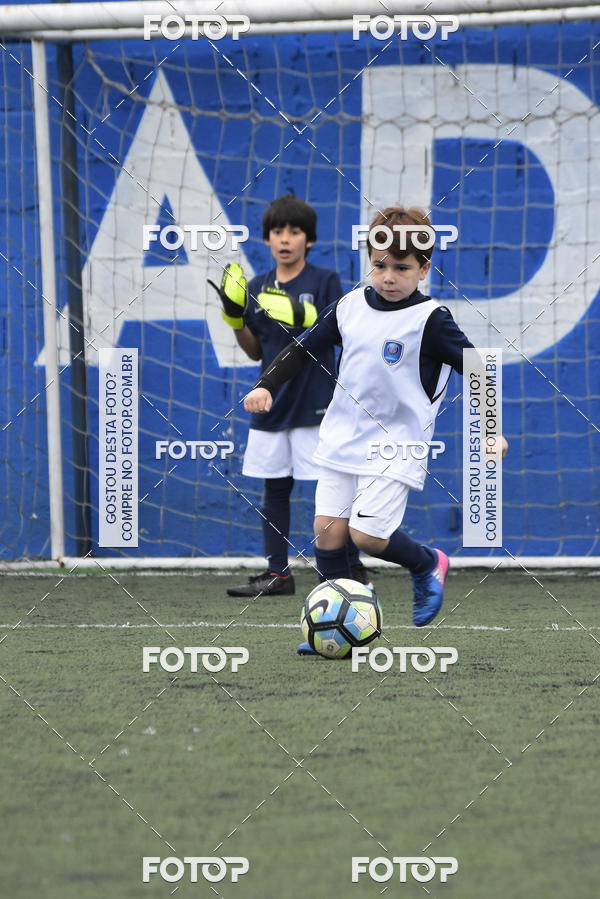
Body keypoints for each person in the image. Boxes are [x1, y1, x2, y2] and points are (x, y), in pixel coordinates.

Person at [242, 206, 508, 646]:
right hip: (342, 437)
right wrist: (266, 384)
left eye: (402, 268)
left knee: (366, 535)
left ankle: (427, 563)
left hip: (397, 444)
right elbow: (303, 349)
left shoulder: (431, 319)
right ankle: (335, 623)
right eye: (380, 265)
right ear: (369, 260)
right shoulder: (348, 306)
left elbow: (478, 370)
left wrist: (490, 429)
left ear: (424, 269)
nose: (388, 277)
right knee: (328, 533)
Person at [209, 193, 368, 596]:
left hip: (317, 401)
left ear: (308, 240)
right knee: (275, 489)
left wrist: (304, 317)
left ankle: (348, 567)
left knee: (332, 489)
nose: (285, 238)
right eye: (277, 231)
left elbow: (340, 335)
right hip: (272, 401)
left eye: (294, 231)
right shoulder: (256, 286)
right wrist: (234, 319)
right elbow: (255, 351)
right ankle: (278, 574)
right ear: (266, 239)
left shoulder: (324, 280)